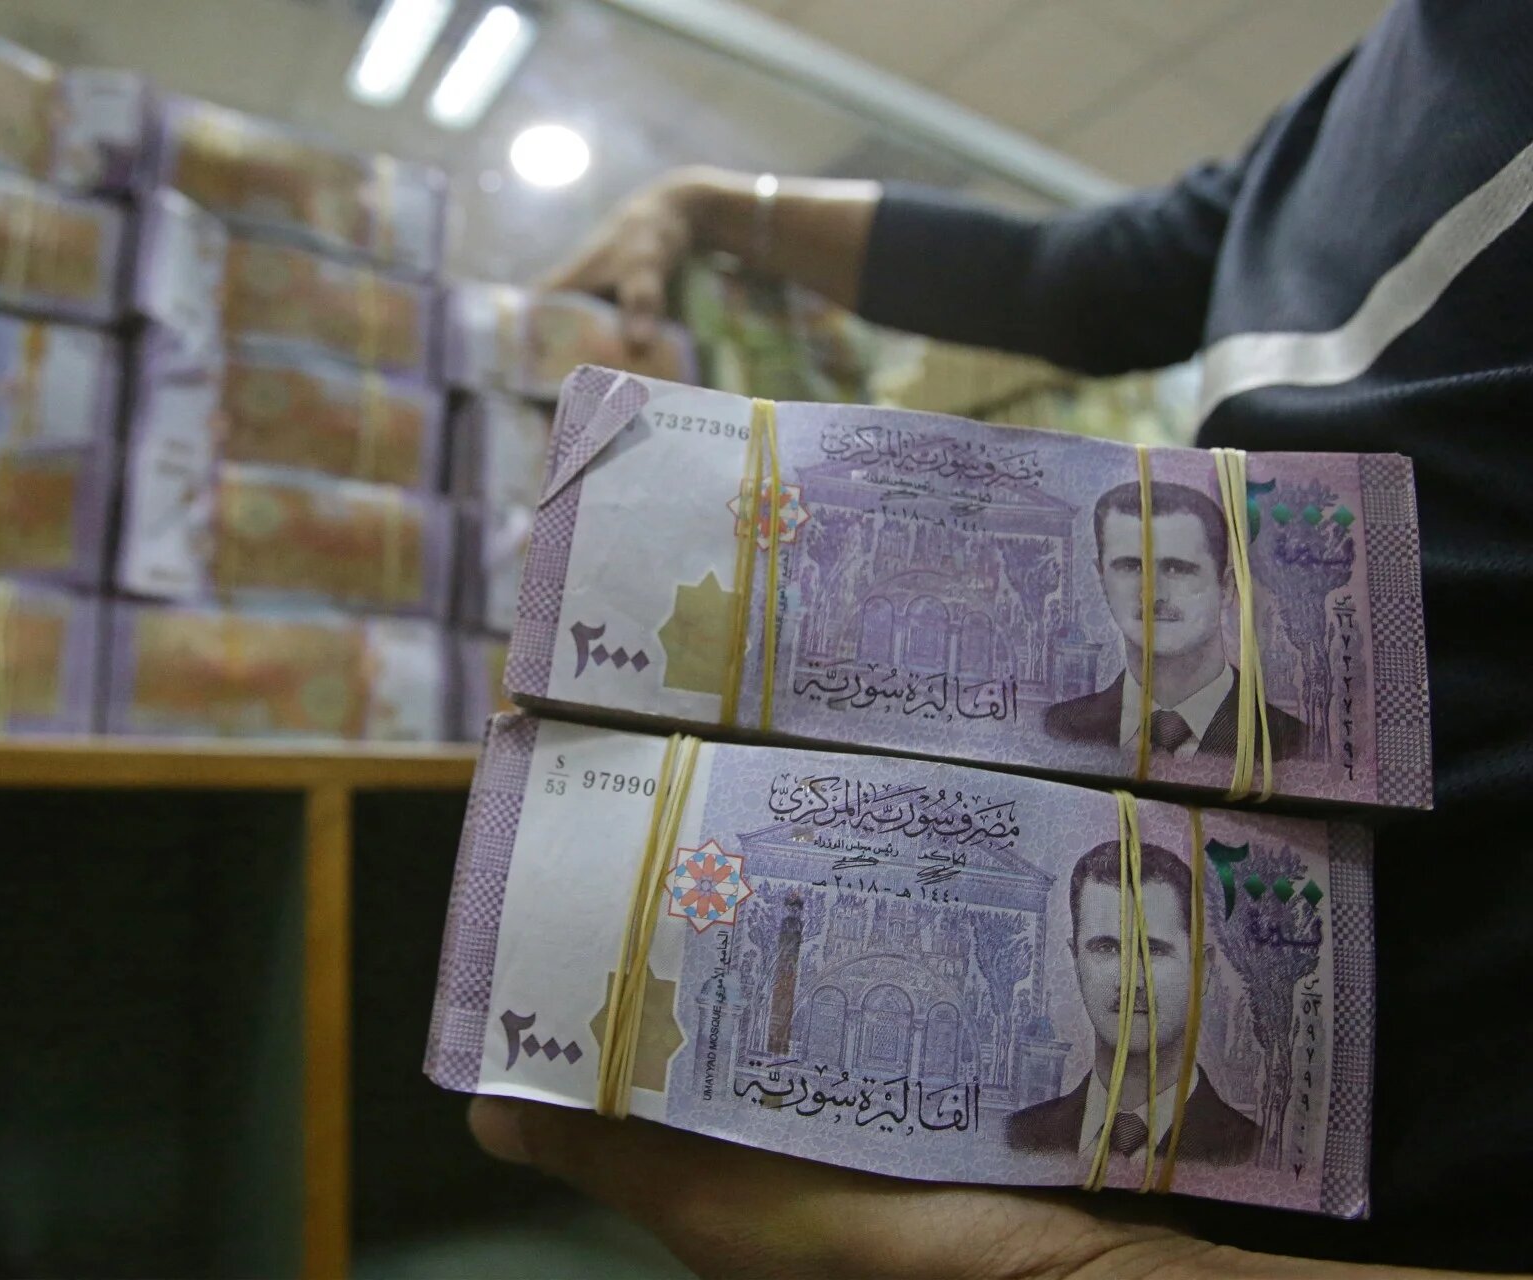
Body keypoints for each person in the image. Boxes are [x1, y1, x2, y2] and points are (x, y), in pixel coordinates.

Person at [479, 2, 1533, 1274]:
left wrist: (1096, 1275)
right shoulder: (1359, 92)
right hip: (1189, 1164)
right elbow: (1079, 277)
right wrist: (712, 206)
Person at [1003, 839, 1259, 1164]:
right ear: (1076, 961)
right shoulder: (1019, 1137)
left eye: (1154, 950)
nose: (1132, 982)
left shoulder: (1253, 1151)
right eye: (1107, 949)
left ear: (1202, 970)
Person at [1042, 481, 1309, 759]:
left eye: (1177, 568)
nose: (1153, 594)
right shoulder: (1059, 730)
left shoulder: (1293, 744)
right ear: (1102, 581)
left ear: (1227, 587)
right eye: (1131, 566)